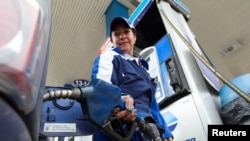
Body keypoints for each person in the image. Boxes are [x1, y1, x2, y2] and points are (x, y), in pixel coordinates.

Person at [90, 16, 173, 141]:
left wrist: (165, 132)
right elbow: (100, 87)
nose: (122, 36)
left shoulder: (145, 69)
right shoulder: (108, 58)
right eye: (116, 34)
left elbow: (152, 105)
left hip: (148, 130)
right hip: (118, 132)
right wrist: (121, 101)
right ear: (112, 41)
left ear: (134, 37)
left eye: (126, 31)